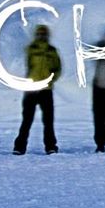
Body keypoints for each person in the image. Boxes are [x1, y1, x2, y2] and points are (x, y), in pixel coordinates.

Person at [12, 24, 62, 155]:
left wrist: (51, 79)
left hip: (46, 89)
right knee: (27, 119)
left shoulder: (52, 51)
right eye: (39, 34)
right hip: (32, 89)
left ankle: (50, 146)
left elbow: (58, 68)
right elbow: (28, 65)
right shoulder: (31, 49)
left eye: (43, 34)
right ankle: (20, 146)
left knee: (48, 121)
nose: (41, 36)